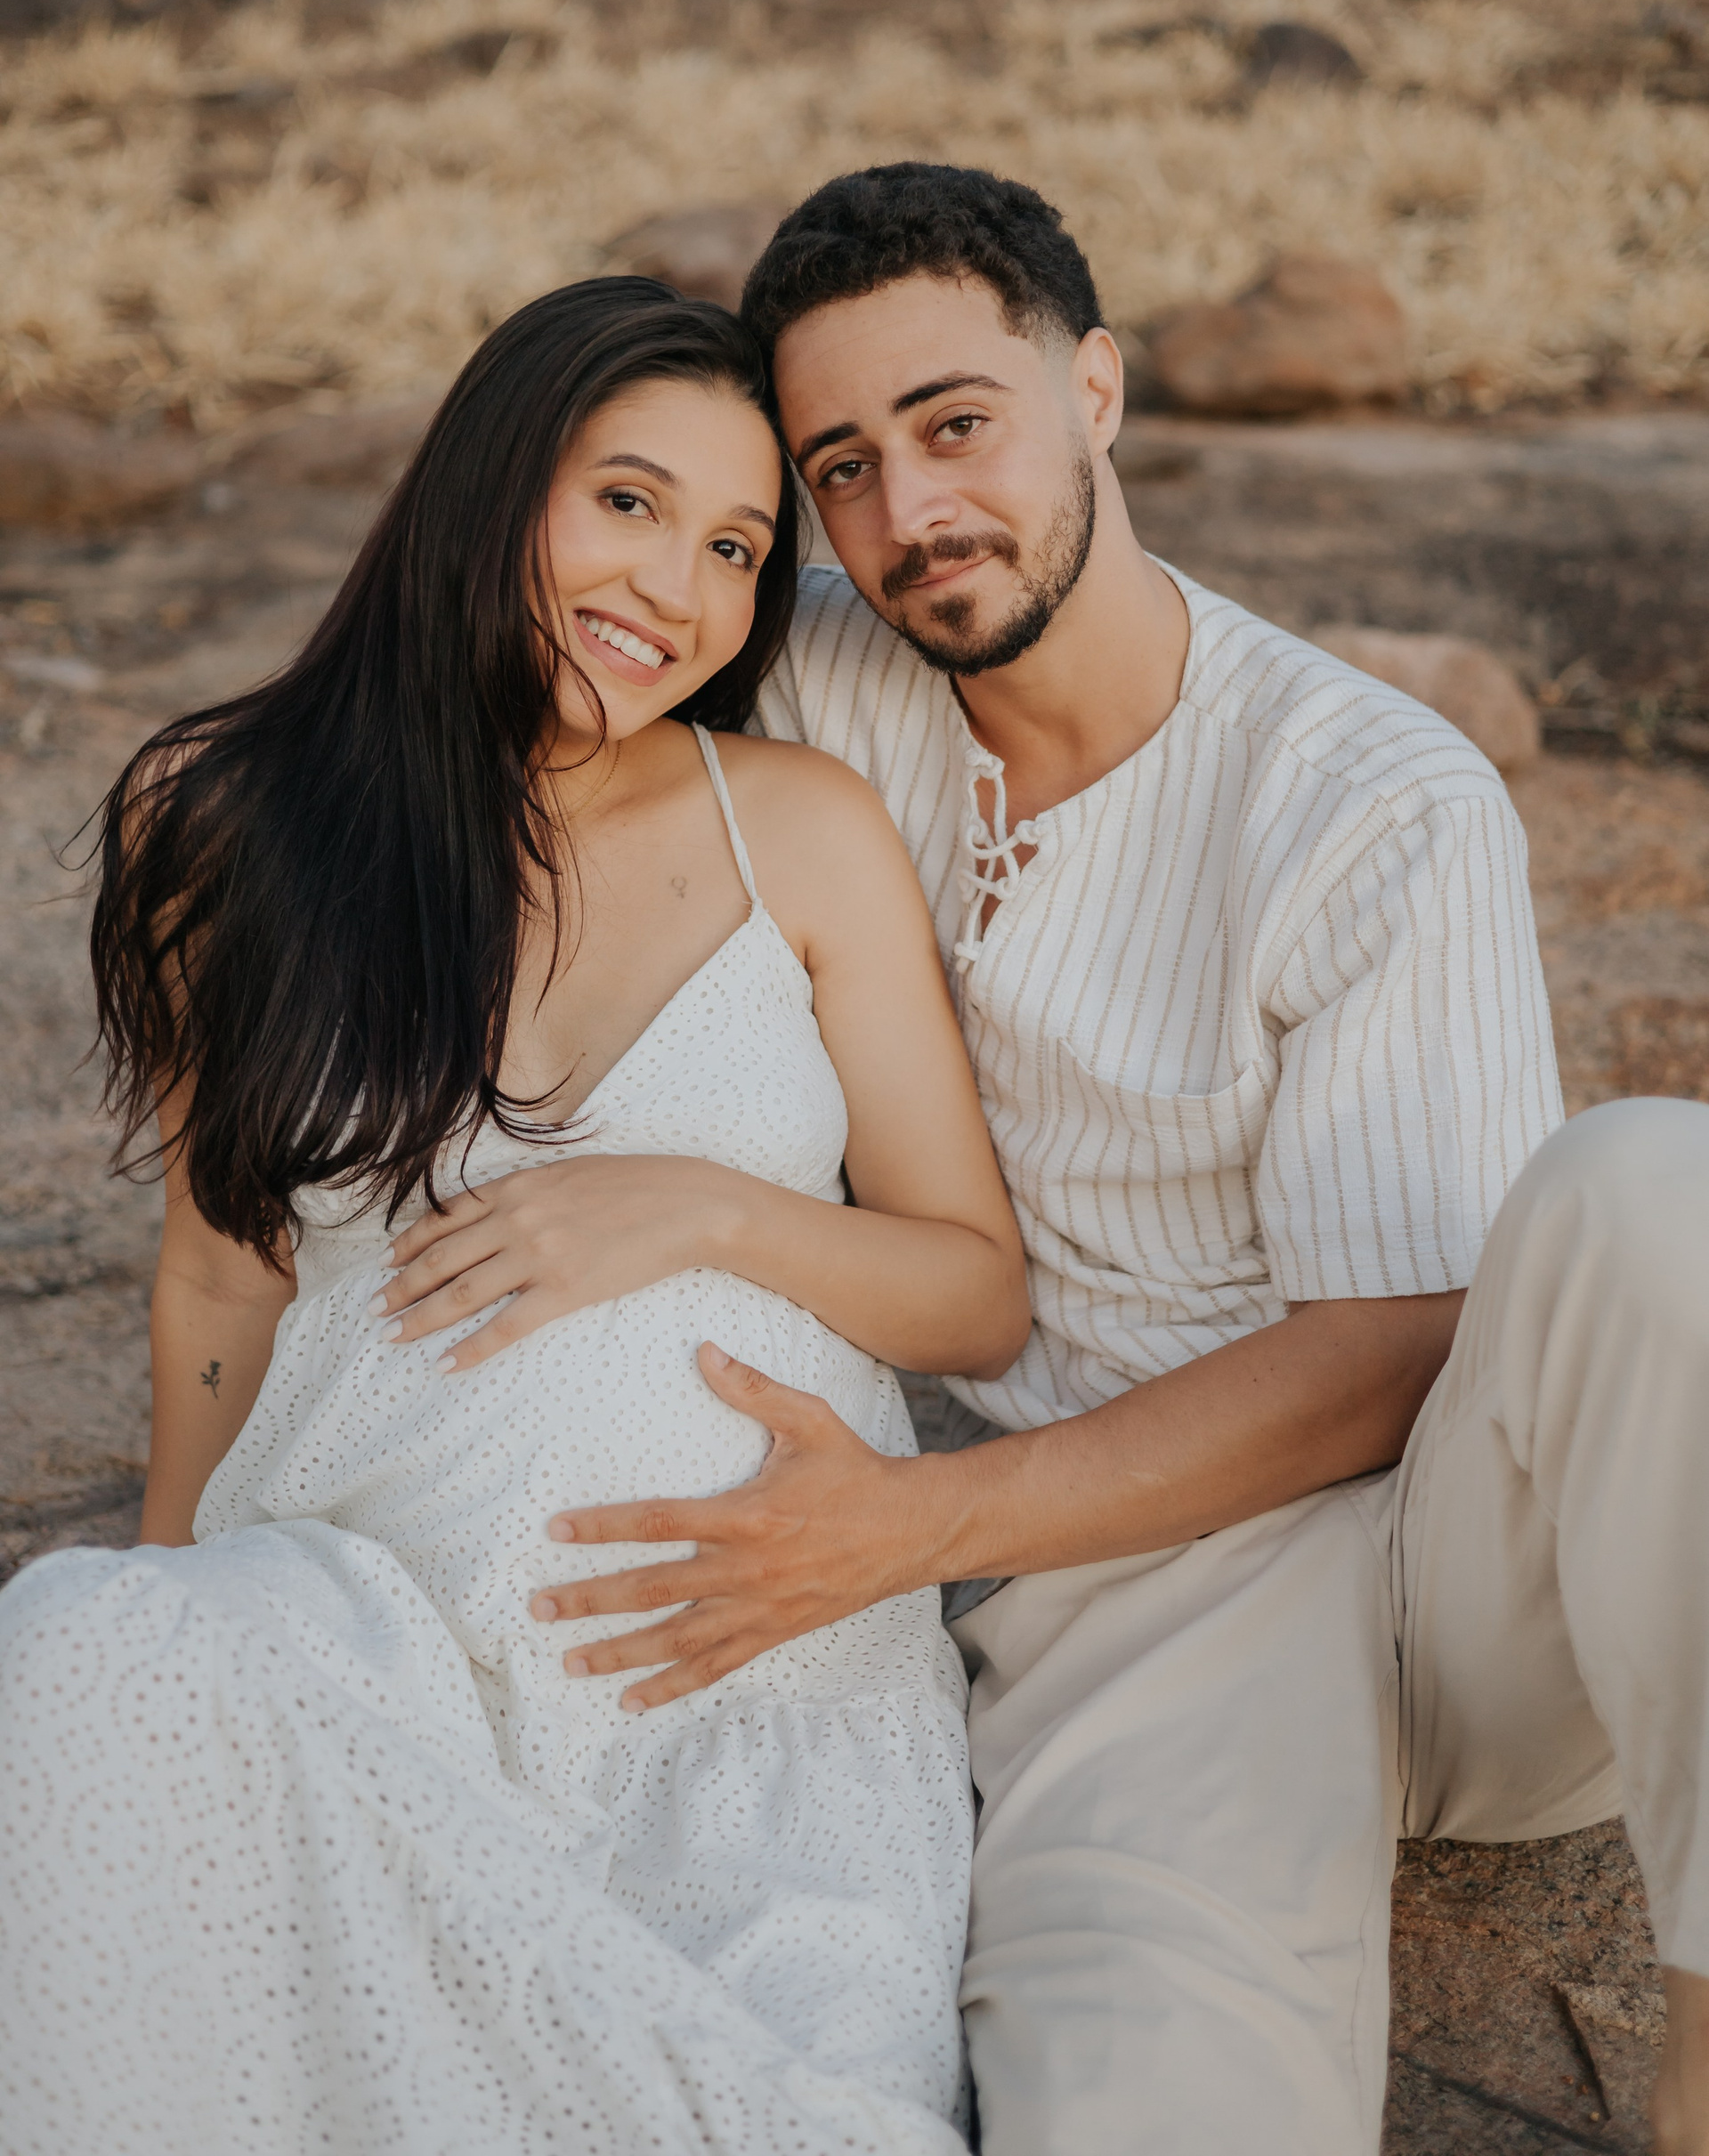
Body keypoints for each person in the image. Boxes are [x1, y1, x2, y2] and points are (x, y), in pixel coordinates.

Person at [383, 168, 1709, 2156]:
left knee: (1653, 1196)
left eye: (957, 424)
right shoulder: (809, 670)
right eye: (841, 467)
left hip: (1472, 1573)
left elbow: (1393, 1349)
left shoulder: (1372, 798)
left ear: (1095, 390)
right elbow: (548, 652)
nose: (910, 512)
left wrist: (905, 1529)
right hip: (1126, 1609)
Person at [0, 278, 1036, 2156]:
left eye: (734, 548)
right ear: (494, 481)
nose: (675, 589)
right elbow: (221, 1273)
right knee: (85, 1657)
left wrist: (699, 1208)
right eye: (628, 502)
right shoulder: (223, 823)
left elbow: (972, 1294)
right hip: (369, 1626)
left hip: (743, 1693)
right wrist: (175, 1601)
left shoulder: (797, 826)